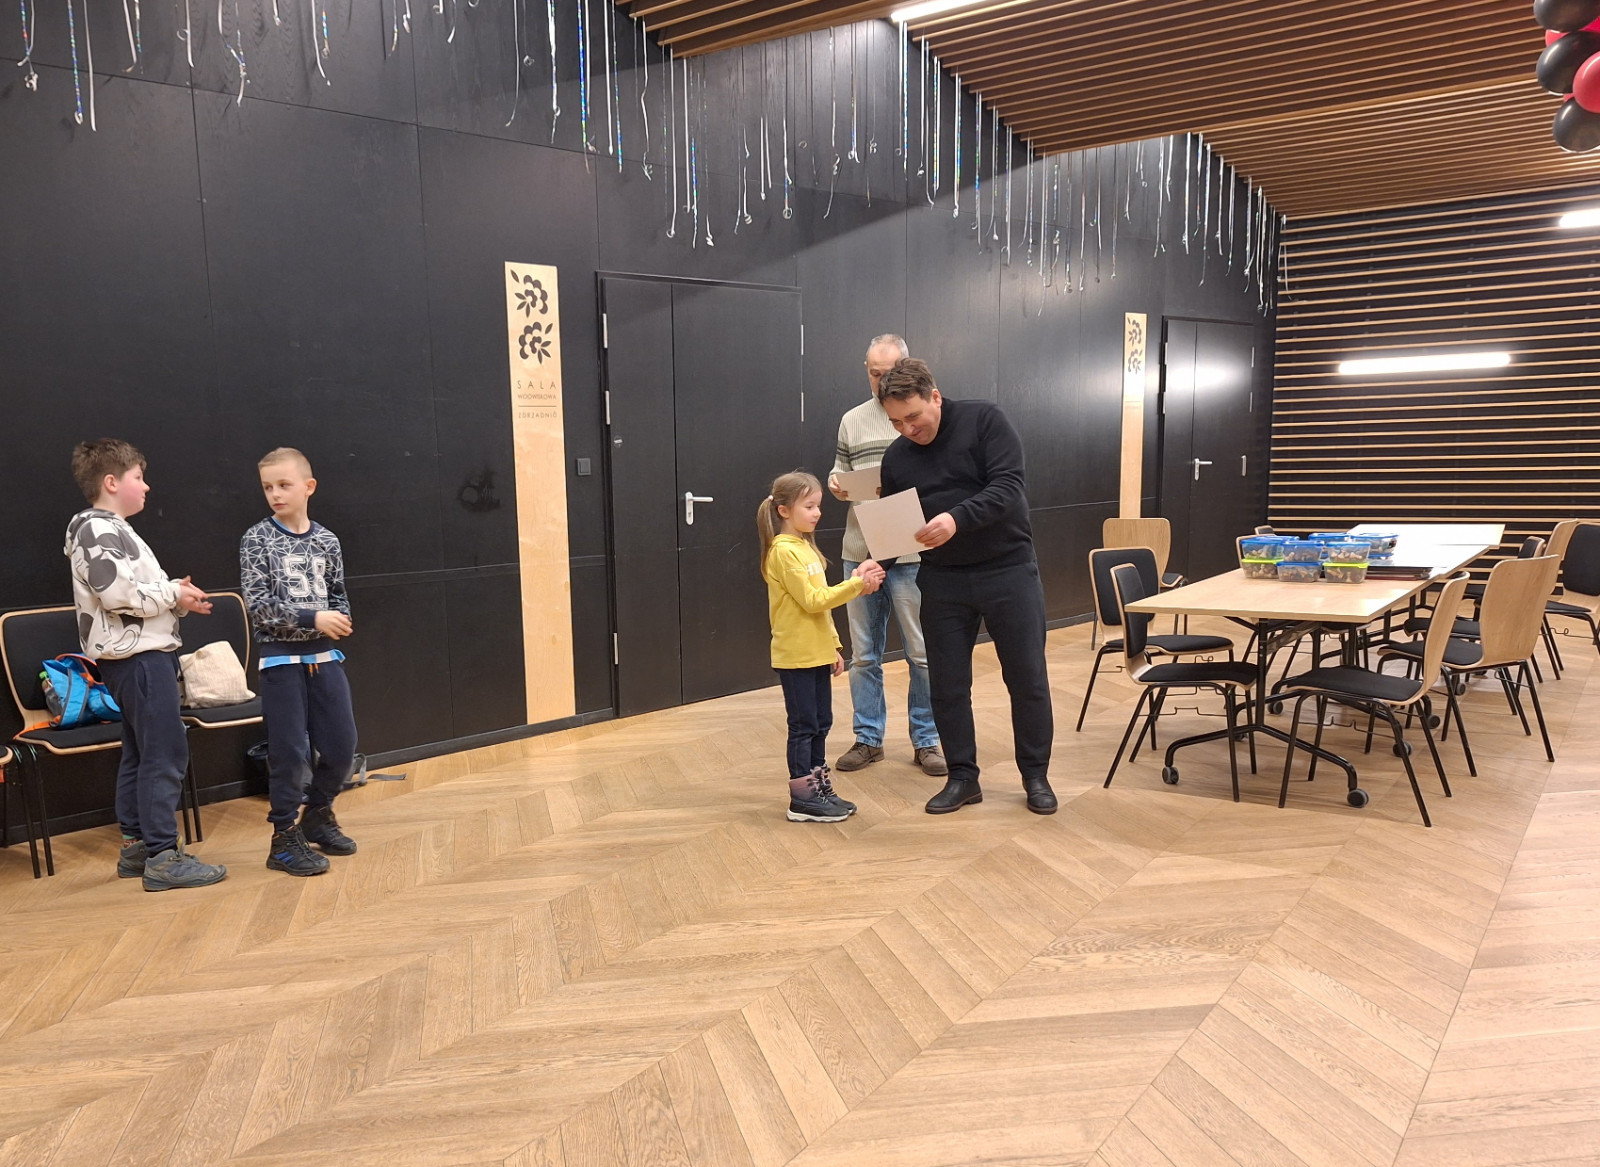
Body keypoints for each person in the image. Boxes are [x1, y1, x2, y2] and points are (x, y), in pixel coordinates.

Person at [876, 360, 1057, 815]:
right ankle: (962, 778)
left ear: (935, 396)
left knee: (1027, 679)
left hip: (1008, 570)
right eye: (896, 422)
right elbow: (895, 528)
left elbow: (1009, 487)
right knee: (948, 685)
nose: (907, 429)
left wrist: (956, 518)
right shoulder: (897, 457)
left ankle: (1035, 776)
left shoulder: (984, 420)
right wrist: (874, 566)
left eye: (913, 416)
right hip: (943, 580)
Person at [65, 439, 229, 891]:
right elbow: (118, 596)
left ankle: (137, 848)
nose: (146, 486)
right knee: (164, 752)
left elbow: (131, 594)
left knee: (141, 754)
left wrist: (177, 595)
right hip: (139, 660)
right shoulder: (96, 529)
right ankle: (162, 856)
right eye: (138, 477)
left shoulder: (111, 529)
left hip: (136, 659)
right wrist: (173, 592)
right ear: (111, 482)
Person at [829, 334, 946, 778]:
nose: (880, 381)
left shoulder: (920, 415)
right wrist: (838, 483)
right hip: (860, 551)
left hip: (911, 553)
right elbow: (839, 468)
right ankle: (868, 738)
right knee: (863, 656)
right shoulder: (851, 420)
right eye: (874, 373)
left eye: (888, 372)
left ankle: (927, 740)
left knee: (921, 653)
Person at [240, 448, 360, 876]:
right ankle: (283, 839)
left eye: (284, 485)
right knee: (289, 753)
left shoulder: (327, 540)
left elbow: (338, 594)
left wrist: (339, 619)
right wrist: (313, 619)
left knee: (342, 746)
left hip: (325, 658)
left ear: (308, 487)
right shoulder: (256, 539)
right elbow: (258, 606)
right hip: (280, 662)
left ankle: (318, 814)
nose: (275, 494)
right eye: (267, 487)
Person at [758, 471, 886, 823]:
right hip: (795, 656)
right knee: (803, 726)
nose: (817, 513)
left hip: (815, 653)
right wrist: (856, 585)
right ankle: (802, 799)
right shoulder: (783, 552)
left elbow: (820, 610)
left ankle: (818, 788)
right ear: (784, 511)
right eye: (809, 506)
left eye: (818, 506)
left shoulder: (804, 547)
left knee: (821, 723)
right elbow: (814, 600)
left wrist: (833, 646)